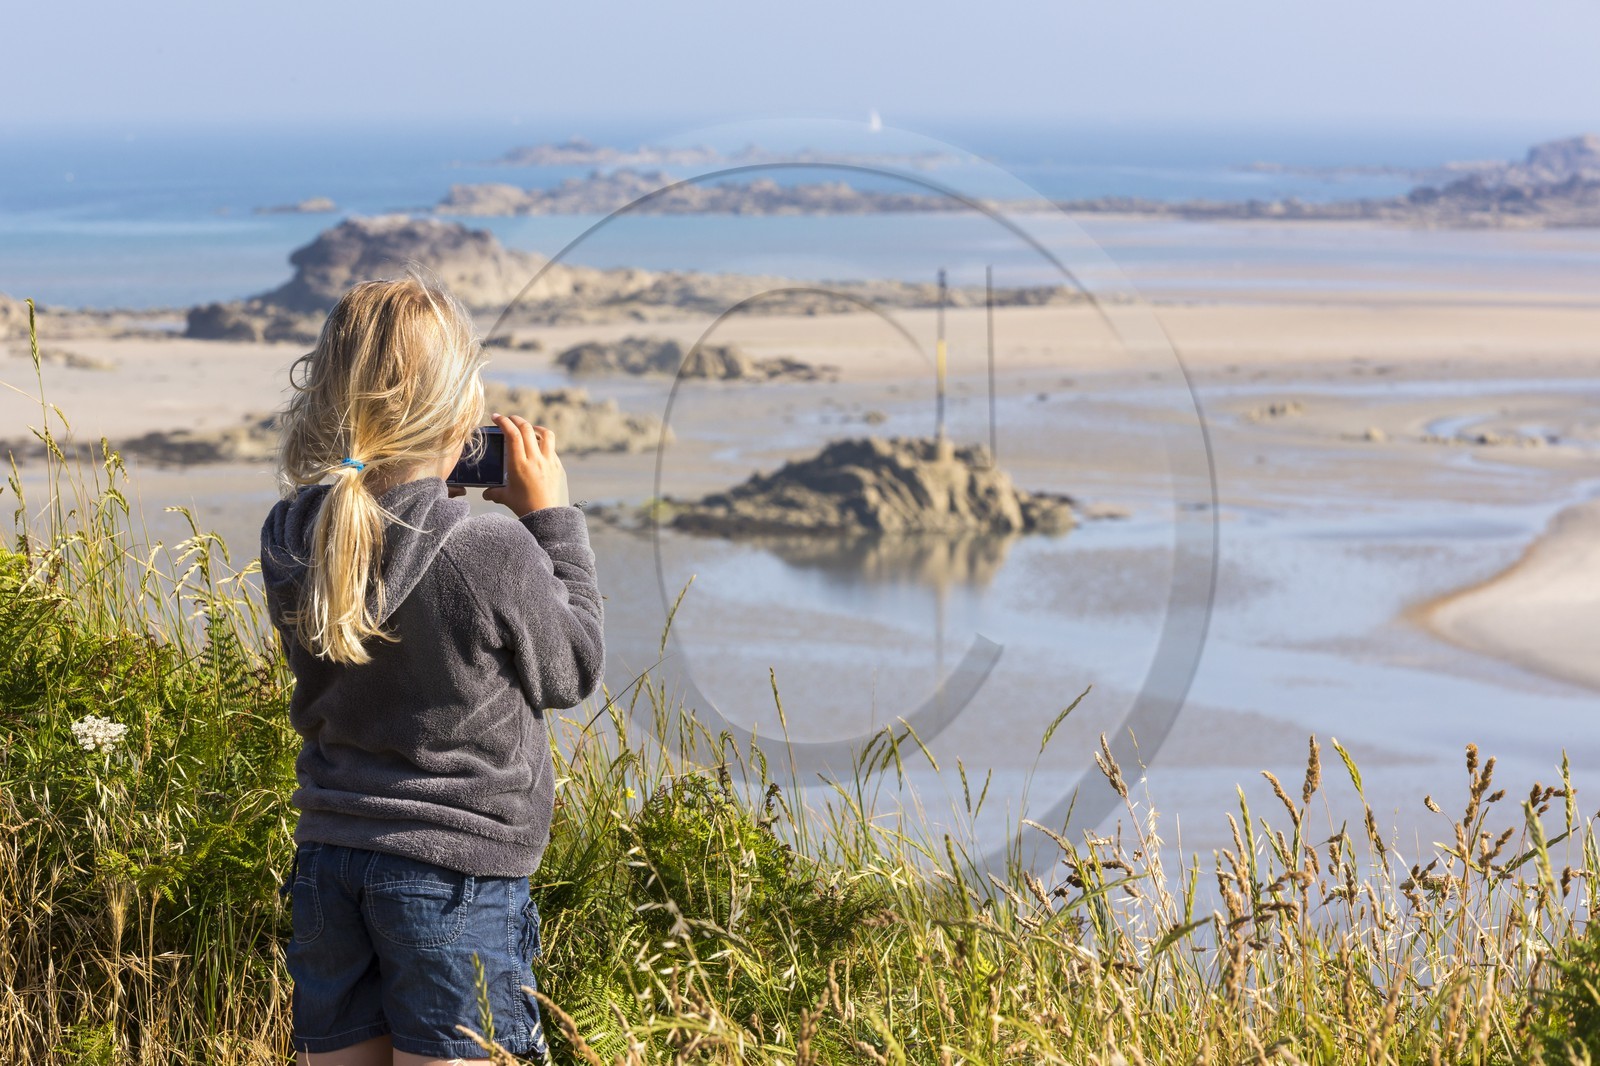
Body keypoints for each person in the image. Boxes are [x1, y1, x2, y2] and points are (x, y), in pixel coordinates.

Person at [259, 269, 605, 1065]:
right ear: (460, 416)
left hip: (329, 865)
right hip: (456, 876)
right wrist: (551, 522)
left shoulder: (291, 532)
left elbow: (376, 558)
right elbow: (573, 667)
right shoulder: (486, 546)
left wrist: (423, 488)